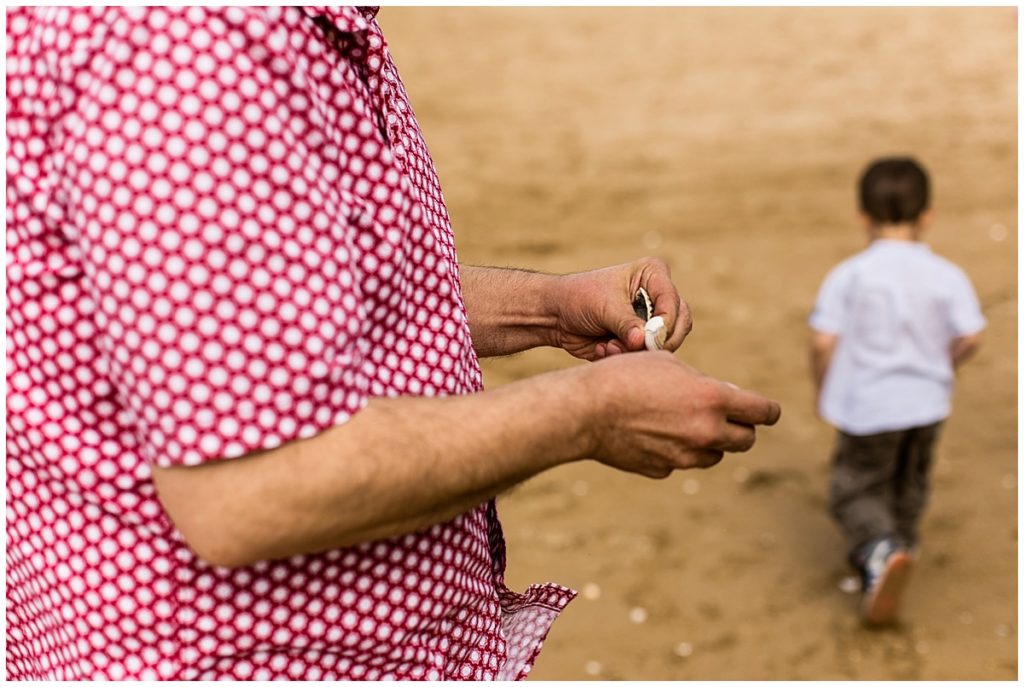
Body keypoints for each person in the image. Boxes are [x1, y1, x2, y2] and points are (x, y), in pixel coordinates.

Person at [6, 6, 781, 680]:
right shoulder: (190, 41)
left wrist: (548, 308)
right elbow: (250, 485)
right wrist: (588, 413)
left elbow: (272, 300)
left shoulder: (300, 29)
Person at [809, 156, 985, 625]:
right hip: (928, 404)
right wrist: (944, 363)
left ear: (862, 216)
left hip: (869, 406)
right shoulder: (947, 275)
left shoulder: (851, 275)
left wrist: (822, 384)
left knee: (853, 491)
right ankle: (900, 547)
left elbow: (823, 340)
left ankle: (880, 551)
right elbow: (971, 334)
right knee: (910, 482)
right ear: (927, 215)